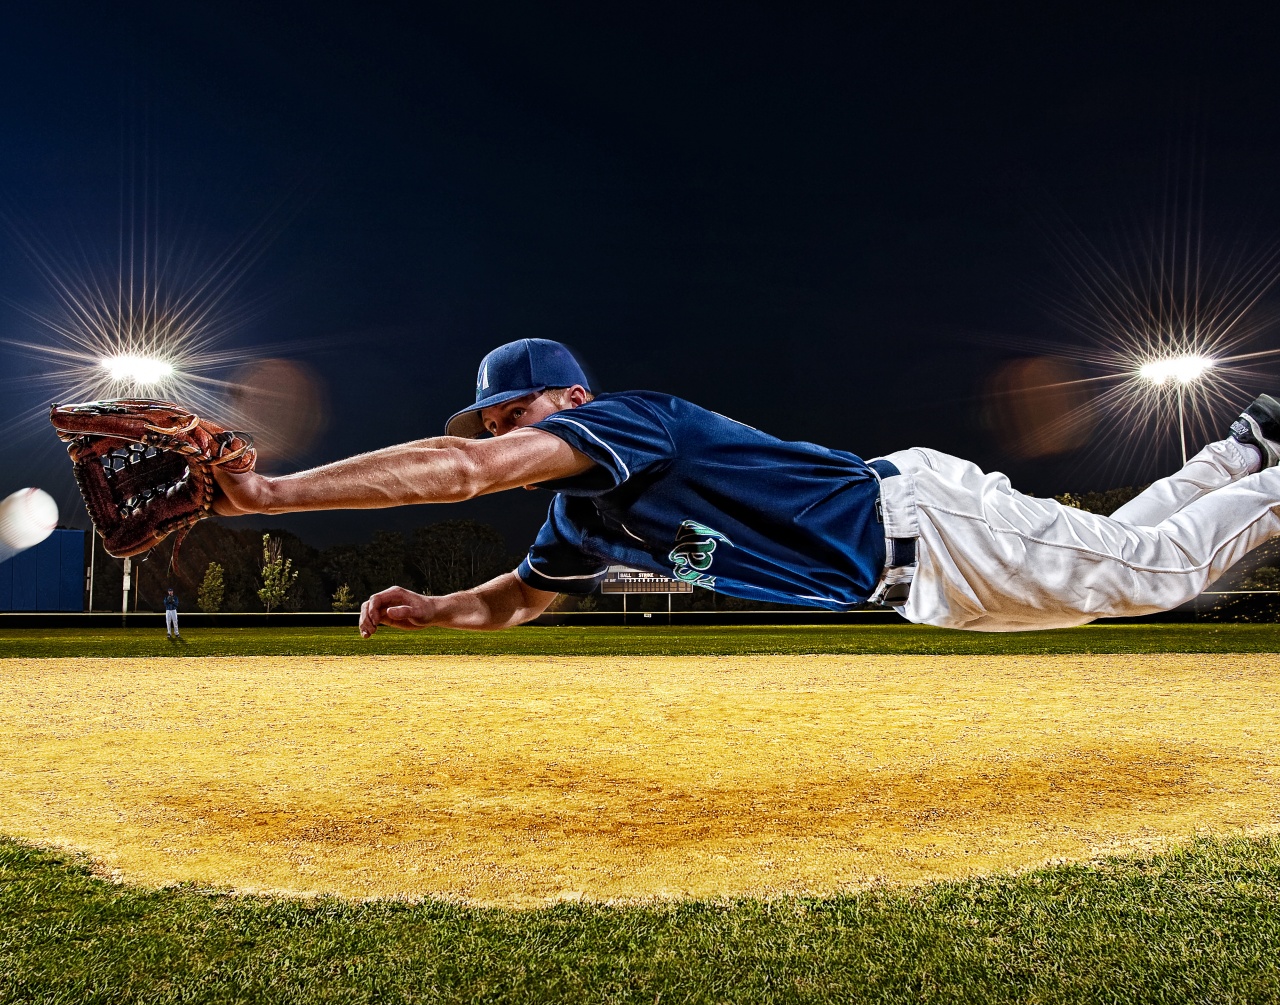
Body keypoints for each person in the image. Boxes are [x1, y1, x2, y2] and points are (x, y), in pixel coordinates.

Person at [211, 337, 1280, 636]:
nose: (500, 432)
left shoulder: (629, 418)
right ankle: (1242, 449)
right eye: (490, 417)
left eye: (515, 411)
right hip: (922, 585)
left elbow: (461, 475)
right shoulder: (583, 515)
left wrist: (267, 496)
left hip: (920, 524)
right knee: (1123, 571)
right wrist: (433, 608)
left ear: (570, 397)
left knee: (1157, 578)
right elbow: (510, 596)